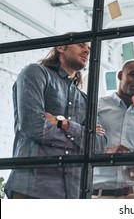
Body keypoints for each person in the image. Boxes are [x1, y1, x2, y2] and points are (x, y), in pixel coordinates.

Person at [5, 40, 106, 199]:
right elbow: (34, 126)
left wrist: (64, 124)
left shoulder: (86, 100)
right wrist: (82, 138)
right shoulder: (35, 73)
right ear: (60, 47)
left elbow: (99, 146)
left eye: (89, 48)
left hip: (74, 193)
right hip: (32, 190)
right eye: (81, 45)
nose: (87, 51)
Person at [92, 60, 134, 199]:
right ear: (120, 75)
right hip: (100, 196)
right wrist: (105, 152)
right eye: (133, 74)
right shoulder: (96, 107)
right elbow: (79, 145)